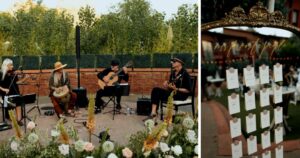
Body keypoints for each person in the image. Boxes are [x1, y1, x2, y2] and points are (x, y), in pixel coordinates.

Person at [0, 58, 29, 126]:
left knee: (18, 102)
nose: (12, 66)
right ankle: (9, 116)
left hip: (15, 92)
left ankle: (19, 120)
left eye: (12, 65)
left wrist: (25, 79)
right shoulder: (1, 74)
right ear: (6, 65)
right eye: (10, 65)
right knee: (10, 104)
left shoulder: (13, 73)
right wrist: (4, 89)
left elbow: (17, 82)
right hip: (6, 94)